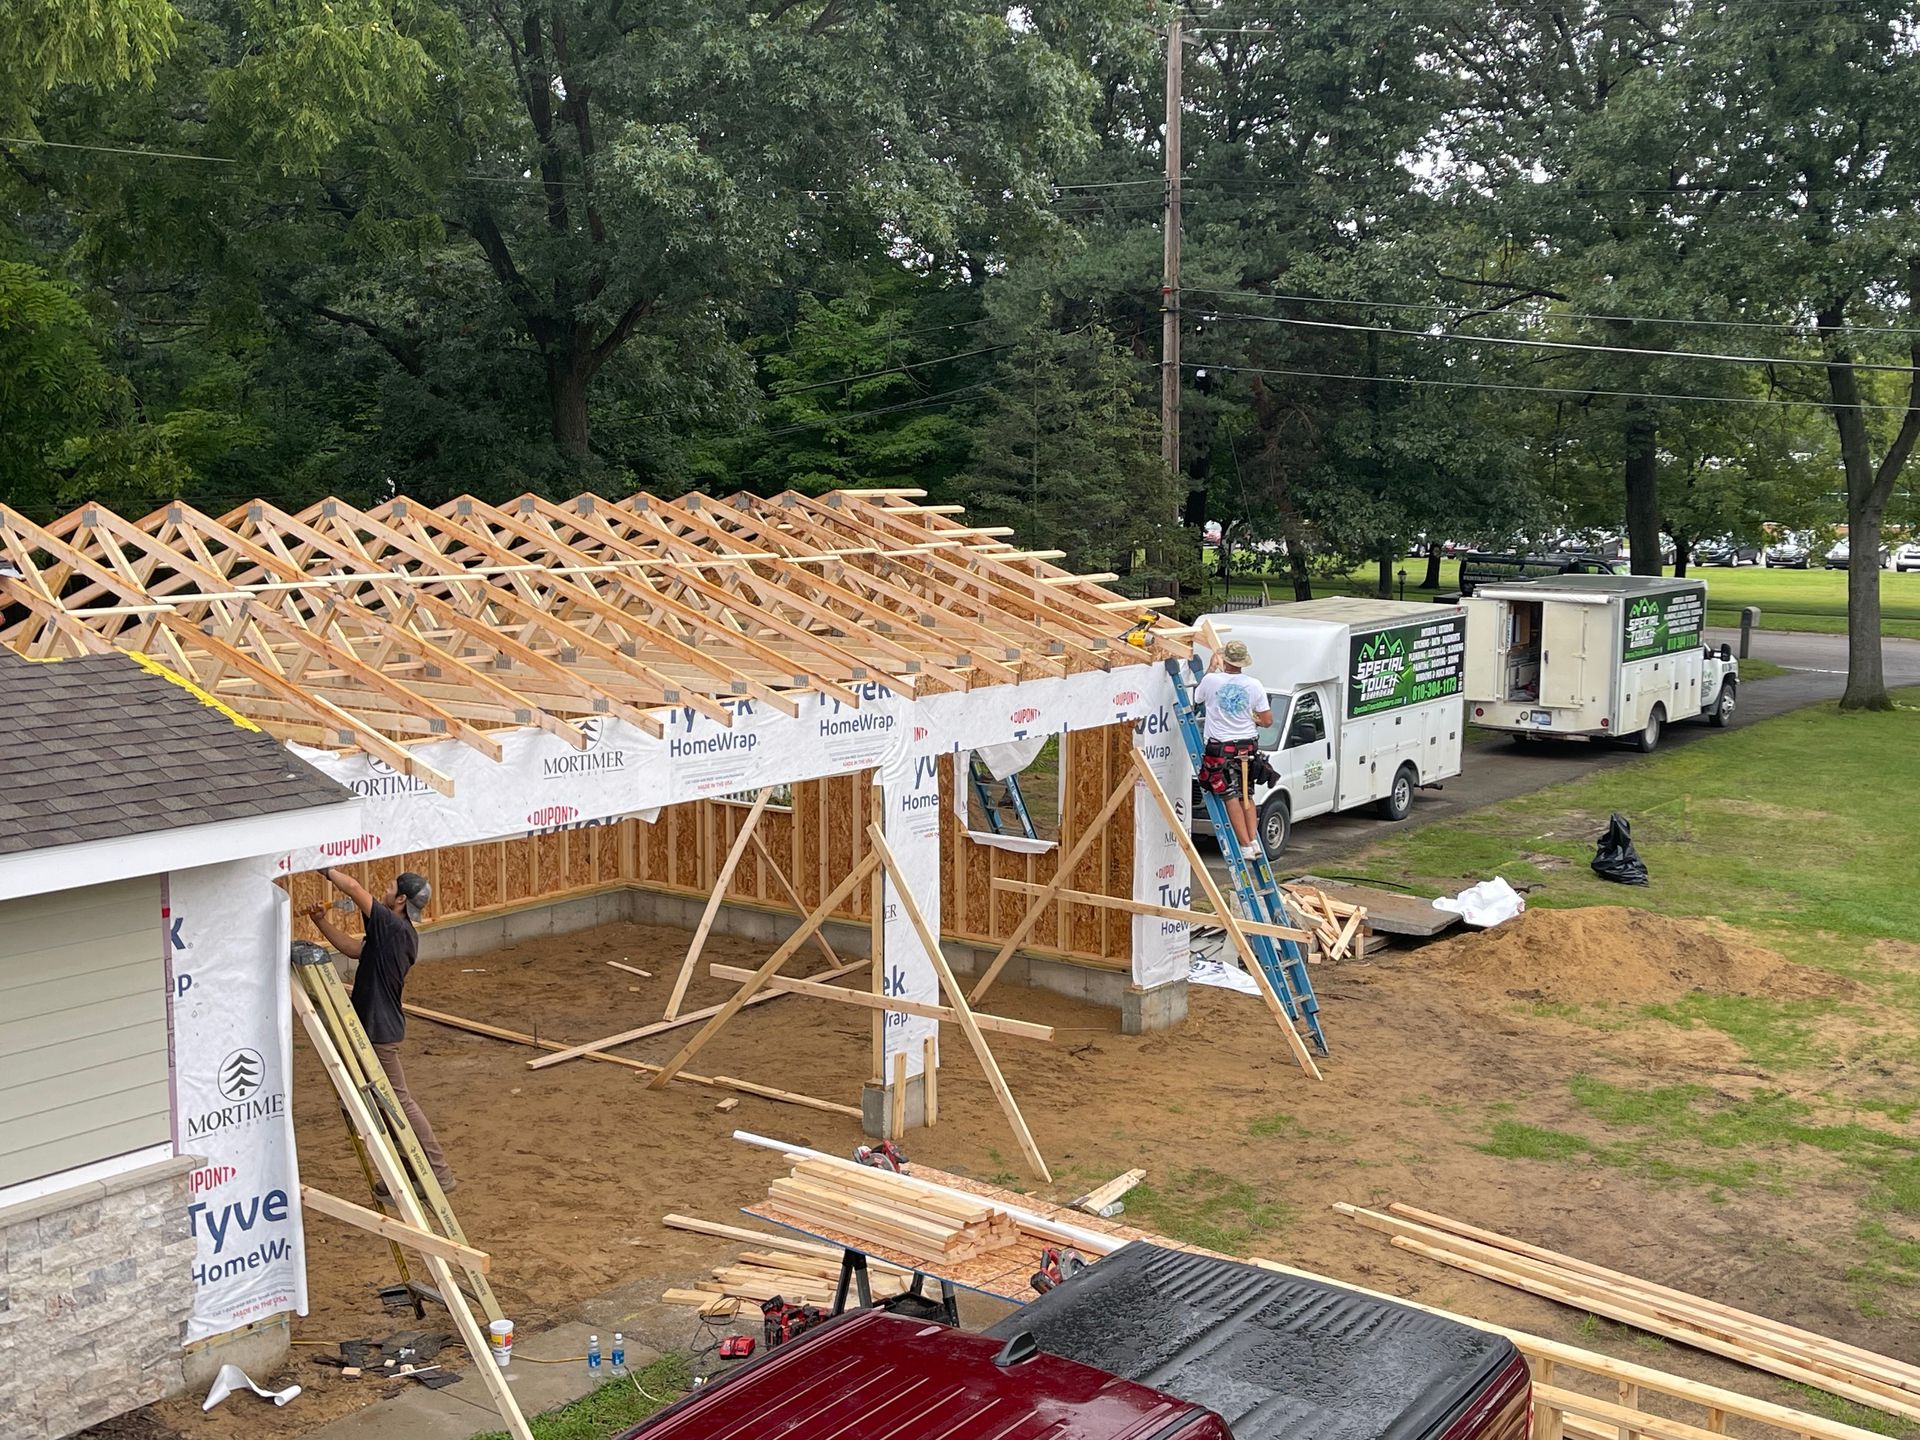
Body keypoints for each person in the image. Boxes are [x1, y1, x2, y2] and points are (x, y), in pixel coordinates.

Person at [308, 868, 455, 1193]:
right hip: (373, 1024)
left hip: (378, 1028)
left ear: (401, 900)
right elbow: (354, 950)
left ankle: (438, 1172)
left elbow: (354, 888)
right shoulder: (391, 932)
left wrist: (323, 866)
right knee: (384, 1102)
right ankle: (409, 1172)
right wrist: (321, 922)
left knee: (399, 1101)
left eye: (391, 888)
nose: (384, 890)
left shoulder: (393, 926)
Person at [1194, 638, 1276, 860]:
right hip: (1247, 747)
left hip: (1221, 749)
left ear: (1224, 660)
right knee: (1247, 796)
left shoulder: (1211, 680)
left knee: (1230, 797)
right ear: (1243, 662)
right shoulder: (1254, 685)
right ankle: (1254, 841)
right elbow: (1268, 721)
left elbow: (1197, 698)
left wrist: (1211, 667)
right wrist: (1253, 719)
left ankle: (1246, 845)